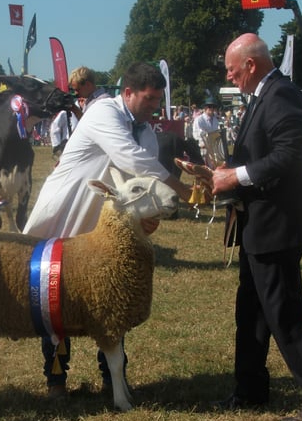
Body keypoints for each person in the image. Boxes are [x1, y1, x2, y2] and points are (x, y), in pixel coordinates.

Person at [23, 62, 199, 399]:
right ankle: (56, 380)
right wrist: (184, 189)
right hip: (67, 212)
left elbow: (142, 184)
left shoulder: (145, 131)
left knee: (111, 299)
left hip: (106, 227)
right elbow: (131, 159)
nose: (153, 107)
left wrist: (150, 219)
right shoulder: (103, 111)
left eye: (158, 101)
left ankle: (112, 379)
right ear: (128, 93)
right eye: (148, 99)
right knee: (56, 297)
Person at [211, 33, 302, 421]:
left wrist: (236, 176)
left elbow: (288, 156)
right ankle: (250, 390)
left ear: (251, 65)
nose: (230, 79)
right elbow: (257, 153)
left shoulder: (281, 94)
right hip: (259, 223)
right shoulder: (261, 97)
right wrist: (221, 172)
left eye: (232, 72)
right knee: (251, 311)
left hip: (278, 224)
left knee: (283, 314)